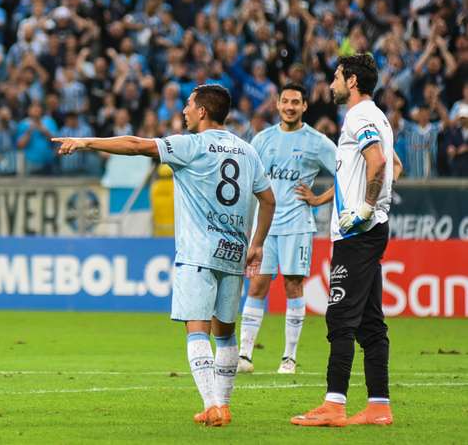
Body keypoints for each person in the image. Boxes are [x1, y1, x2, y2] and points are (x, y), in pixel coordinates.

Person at [53, 84, 276, 427]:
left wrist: (86, 142)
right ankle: (224, 404)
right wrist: (257, 243)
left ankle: (213, 405)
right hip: (234, 252)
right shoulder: (247, 151)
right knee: (226, 332)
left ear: (202, 111)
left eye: (188, 105)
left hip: (198, 252)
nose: (184, 111)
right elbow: (268, 199)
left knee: (197, 329)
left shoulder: (191, 145)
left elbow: (136, 145)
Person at [291, 54, 401, 427]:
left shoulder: (359, 116)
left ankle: (334, 405)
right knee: (370, 322)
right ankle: (378, 405)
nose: (332, 83)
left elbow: (379, 163)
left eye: (336, 77)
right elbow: (393, 165)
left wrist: (367, 207)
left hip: (358, 233)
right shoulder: (378, 118)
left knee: (340, 316)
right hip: (366, 229)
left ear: (352, 81)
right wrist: (363, 201)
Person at [237, 83, 337, 375]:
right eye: (285, 101)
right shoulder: (262, 139)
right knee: (257, 284)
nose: (290, 106)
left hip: (296, 225)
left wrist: (318, 199)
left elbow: (346, 173)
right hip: (265, 227)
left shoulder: (317, 142)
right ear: (277, 104)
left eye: (296, 102)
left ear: (305, 106)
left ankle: (288, 358)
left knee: (293, 285)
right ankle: (244, 355)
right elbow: (247, 181)